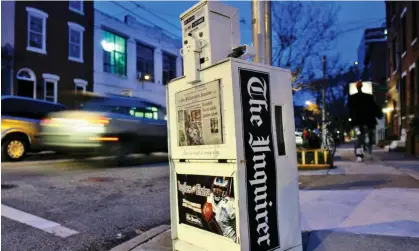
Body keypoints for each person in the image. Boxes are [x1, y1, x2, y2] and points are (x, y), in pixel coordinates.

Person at [348, 81, 383, 162]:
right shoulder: (368, 97)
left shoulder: (354, 97)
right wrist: (379, 114)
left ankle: (361, 154)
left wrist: (351, 120)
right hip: (365, 121)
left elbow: (350, 110)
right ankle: (363, 153)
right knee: (362, 137)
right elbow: (374, 107)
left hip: (360, 121)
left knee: (361, 138)